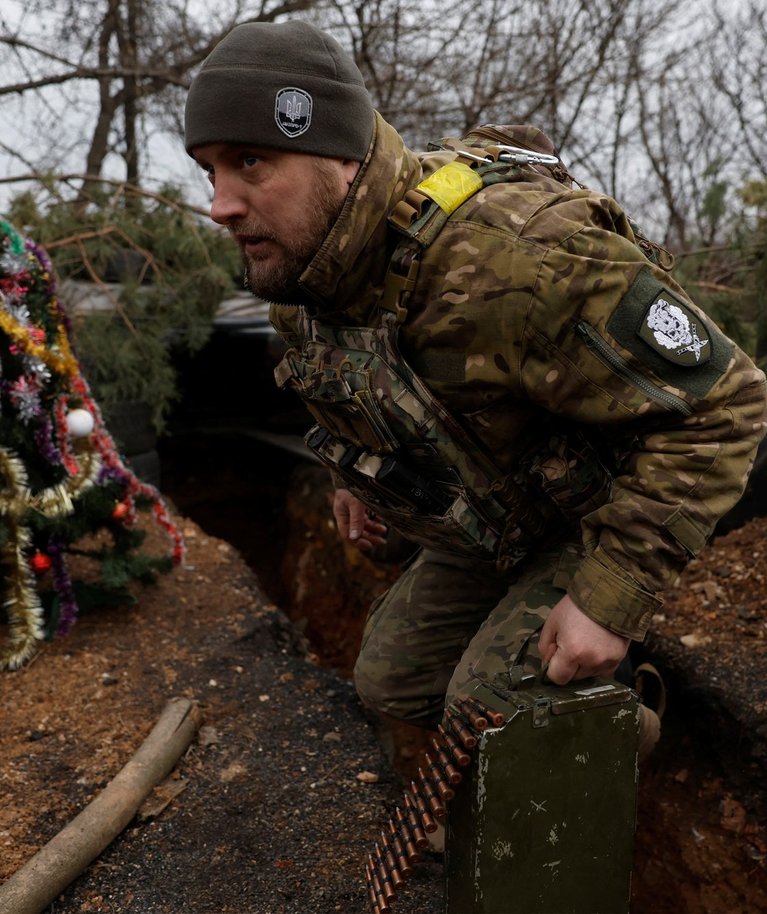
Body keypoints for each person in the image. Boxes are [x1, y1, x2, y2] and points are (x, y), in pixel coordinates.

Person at [183, 20, 767, 763]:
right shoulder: (304, 281)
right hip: (501, 512)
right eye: (210, 171)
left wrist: (605, 599)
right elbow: (355, 388)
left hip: (602, 504)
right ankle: (549, 732)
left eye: (252, 161)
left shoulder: (513, 255)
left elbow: (729, 401)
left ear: (342, 156)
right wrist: (351, 480)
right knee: (391, 681)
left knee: (493, 708)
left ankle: (624, 728)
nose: (220, 204)